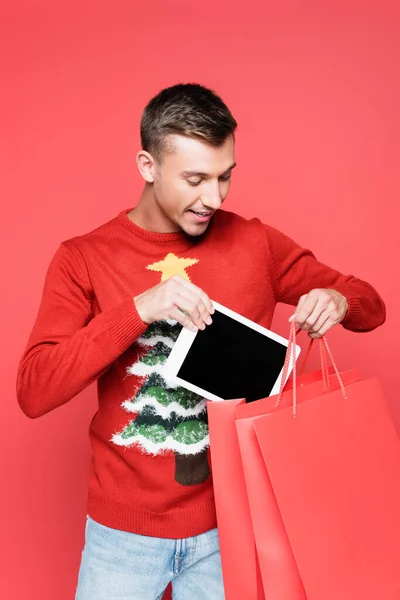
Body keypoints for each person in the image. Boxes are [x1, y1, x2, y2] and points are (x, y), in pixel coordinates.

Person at [16, 83, 386, 600]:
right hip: (122, 537)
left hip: (229, 528)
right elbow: (35, 390)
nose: (214, 198)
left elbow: (371, 305)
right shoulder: (82, 258)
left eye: (225, 176)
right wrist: (139, 310)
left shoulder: (256, 243)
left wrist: (339, 302)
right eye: (195, 179)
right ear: (148, 166)